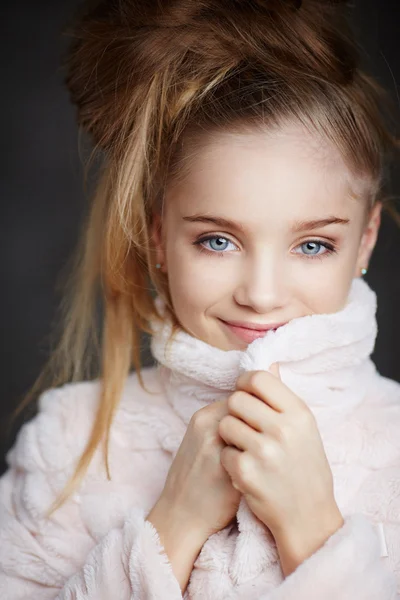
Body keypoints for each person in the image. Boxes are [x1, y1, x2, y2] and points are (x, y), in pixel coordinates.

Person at [1, 0, 399, 598]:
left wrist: (315, 533)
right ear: (159, 237)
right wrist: (175, 523)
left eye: (313, 245)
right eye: (218, 240)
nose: (261, 295)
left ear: (364, 239)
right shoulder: (68, 442)